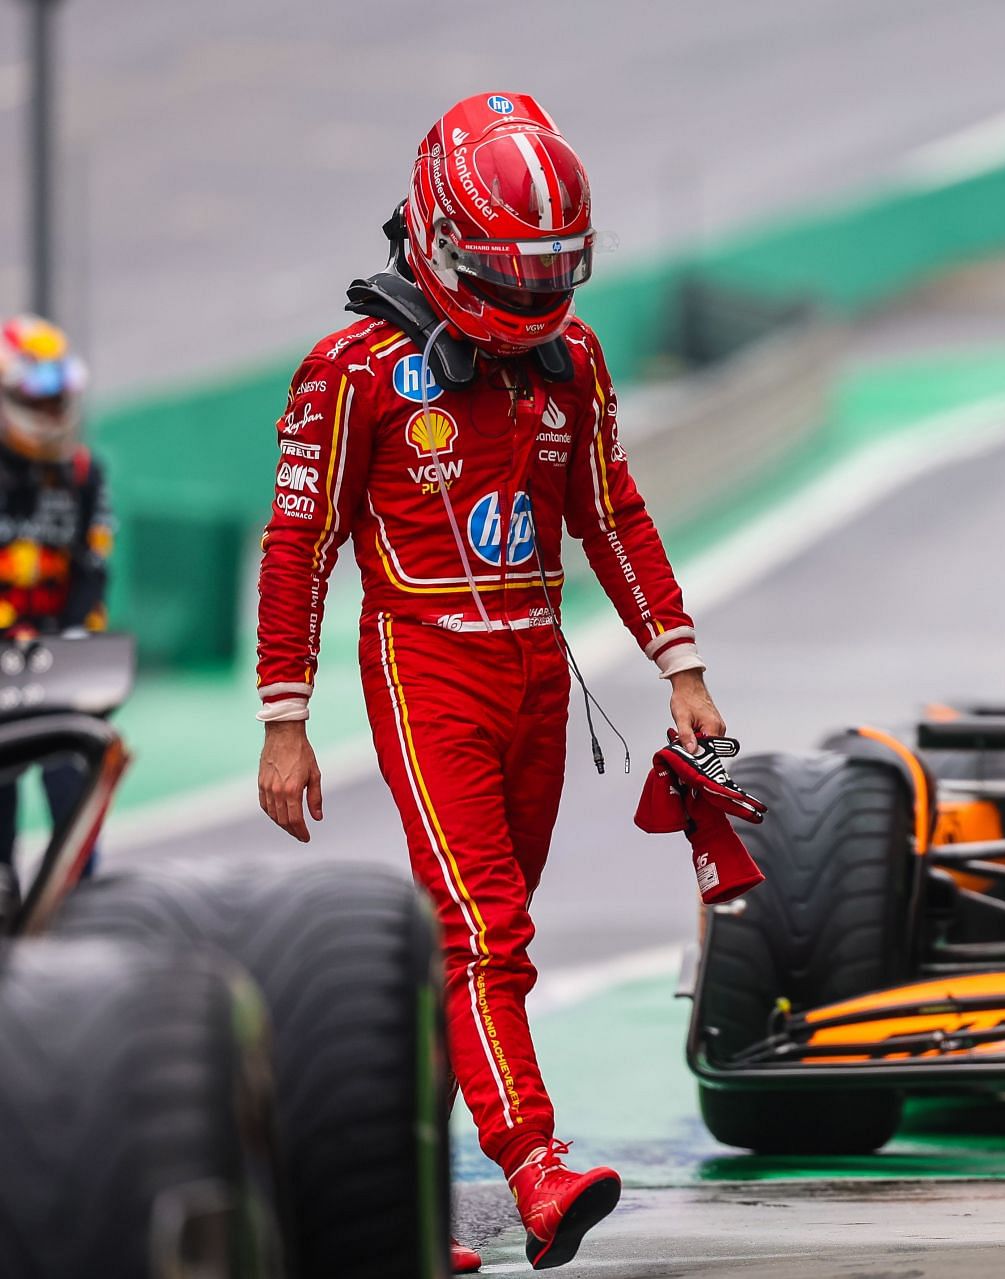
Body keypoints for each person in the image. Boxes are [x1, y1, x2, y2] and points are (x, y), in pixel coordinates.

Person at [254, 93, 725, 1272]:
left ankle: (386, 1203)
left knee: (471, 942)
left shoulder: (575, 360)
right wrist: (283, 720)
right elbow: (295, 543)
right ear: (442, 238)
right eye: (513, 271)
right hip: (427, 666)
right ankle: (535, 1165)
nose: (534, 293)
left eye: (553, 269)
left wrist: (682, 662)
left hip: (541, 676)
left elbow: (611, 511)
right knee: (486, 929)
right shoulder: (351, 368)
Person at [0, 314, 112, 871]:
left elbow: (93, 570)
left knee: (77, 801)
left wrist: (68, 638)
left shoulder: (85, 474)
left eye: (57, 400)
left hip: (60, 663)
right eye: (36, 401)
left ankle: (80, 911)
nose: (50, 415)